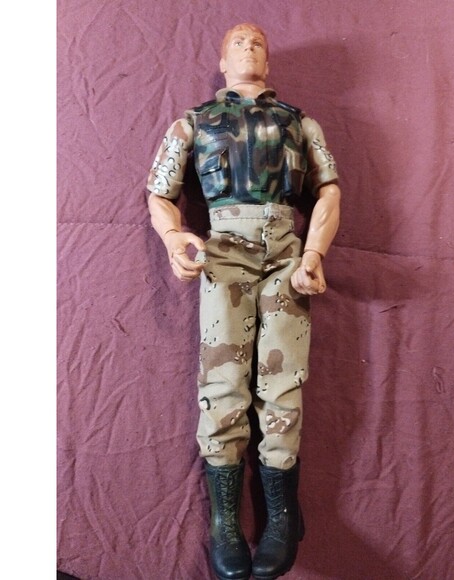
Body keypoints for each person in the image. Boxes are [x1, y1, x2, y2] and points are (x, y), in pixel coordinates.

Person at [146, 23, 341, 580]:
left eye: (257, 43)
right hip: (224, 254)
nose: (248, 48)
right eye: (238, 42)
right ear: (221, 60)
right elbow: (158, 191)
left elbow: (329, 189)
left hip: (286, 257)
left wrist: (314, 252)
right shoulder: (194, 122)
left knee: (283, 381)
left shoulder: (300, 123)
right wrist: (174, 238)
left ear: (268, 62)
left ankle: (282, 515)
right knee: (222, 381)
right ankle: (225, 521)